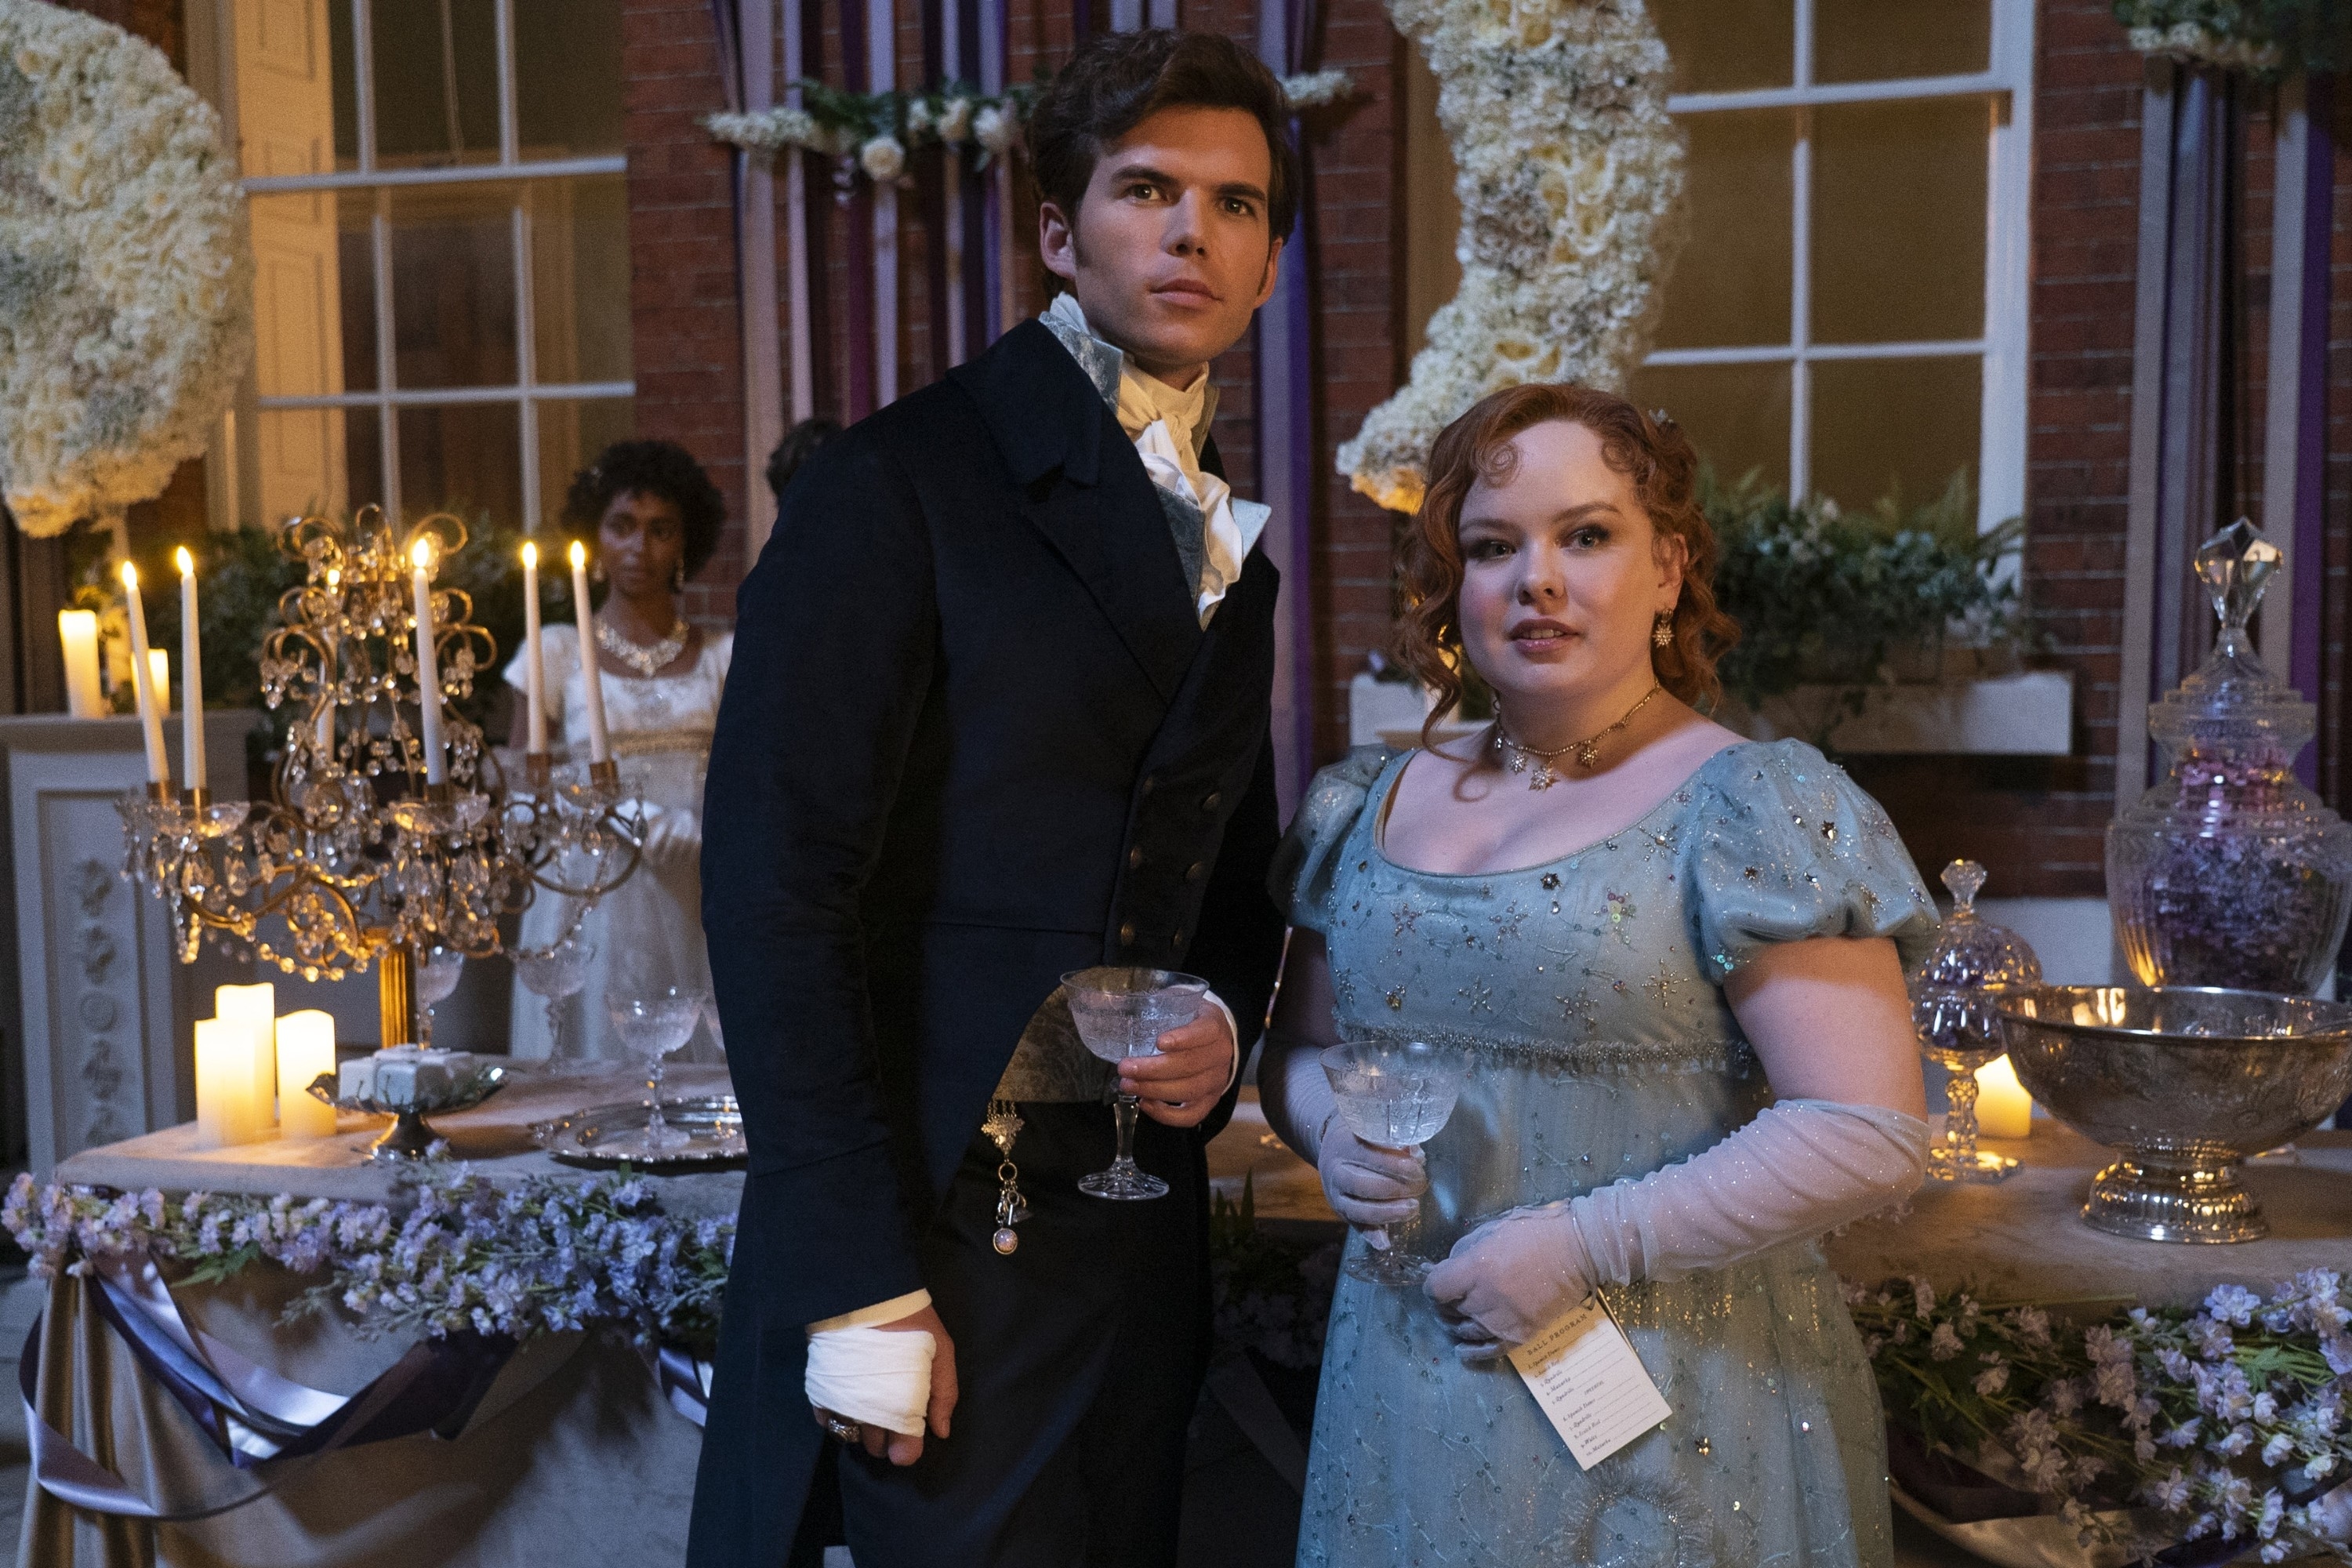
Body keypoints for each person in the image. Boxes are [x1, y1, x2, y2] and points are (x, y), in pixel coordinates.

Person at [688, 30, 1296, 1568]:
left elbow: (1224, 879)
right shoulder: (896, 487)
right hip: (931, 1234)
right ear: (1056, 230)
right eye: (1146, 189)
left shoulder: (1242, 546)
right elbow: (776, 888)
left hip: (1134, 1228)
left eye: (1236, 205)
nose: (1190, 232)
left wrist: (1221, 1018)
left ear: (1273, 259)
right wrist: (855, 1276)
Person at [1259, 384, 1938, 1566]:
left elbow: (1867, 1127)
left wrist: (1583, 1247)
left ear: (1669, 566)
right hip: (1405, 1385)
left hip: (1673, 1397)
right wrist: (1326, 1126)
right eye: (1491, 546)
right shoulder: (1360, 802)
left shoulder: (1756, 807)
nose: (1537, 581)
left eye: (1587, 535)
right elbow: (1302, 1053)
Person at [506, 438, 731, 1063]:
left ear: (686, 541)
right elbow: (526, 795)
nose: (640, 548)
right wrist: (617, 815)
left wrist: (701, 829)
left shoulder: (722, 657)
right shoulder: (552, 653)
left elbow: (752, 785)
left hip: (694, 879)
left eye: (661, 530)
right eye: (623, 527)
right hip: (590, 890)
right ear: (596, 536)